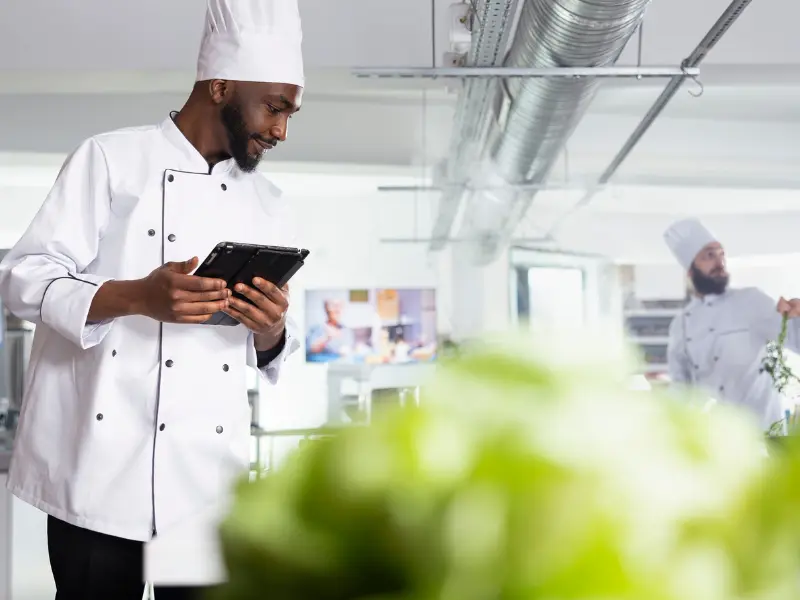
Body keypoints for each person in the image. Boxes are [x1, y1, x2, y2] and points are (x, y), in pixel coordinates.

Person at [0, 0, 305, 598]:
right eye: (275, 107)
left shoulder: (270, 203)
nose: (280, 131)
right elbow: (23, 276)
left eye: (290, 114)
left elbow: (272, 351)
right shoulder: (111, 159)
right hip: (96, 476)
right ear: (221, 86)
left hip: (201, 490)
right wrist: (136, 296)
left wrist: (269, 329)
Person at [664, 218, 796, 430]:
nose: (719, 262)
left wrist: (796, 316)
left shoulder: (752, 301)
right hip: (713, 439)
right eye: (709, 256)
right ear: (690, 270)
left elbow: (794, 340)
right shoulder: (681, 324)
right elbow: (681, 387)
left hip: (763, 434)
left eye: (721, 254)